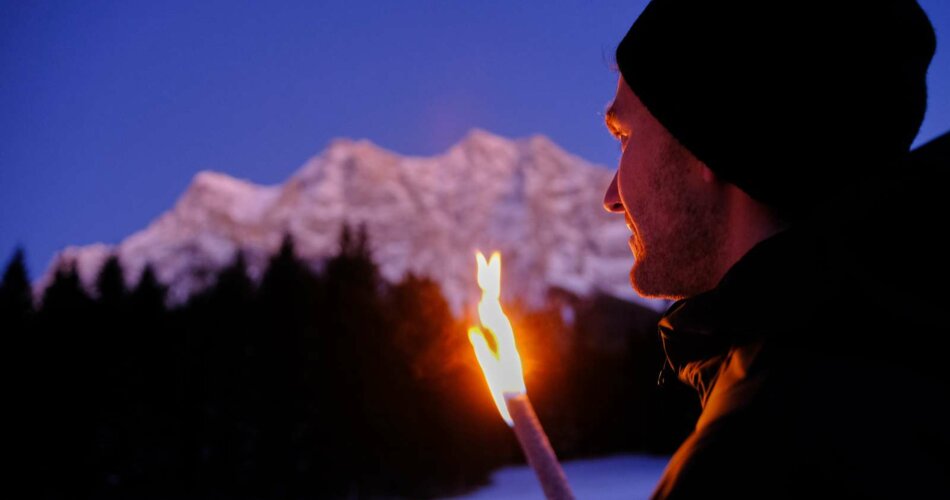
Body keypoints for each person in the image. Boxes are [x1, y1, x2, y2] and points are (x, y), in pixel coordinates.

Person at [601, 0, 949, 498]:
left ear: (704, 136)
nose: (611, 196)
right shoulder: (900, 369)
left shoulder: (759, 454)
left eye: (623, 136)